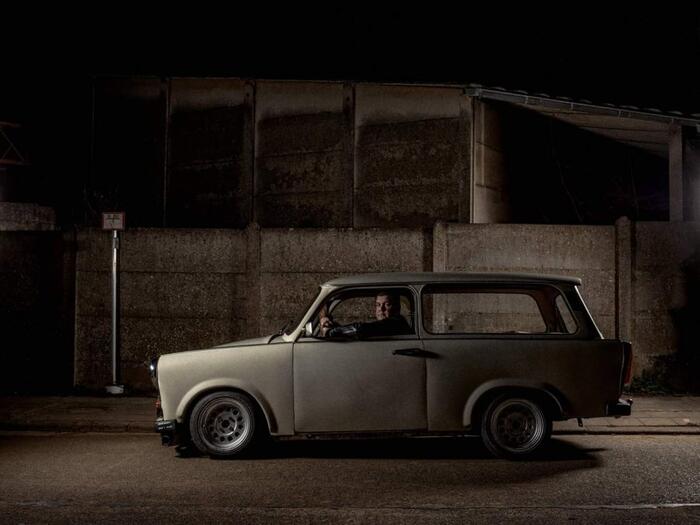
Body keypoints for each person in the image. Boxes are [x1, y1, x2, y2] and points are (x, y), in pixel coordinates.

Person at [319, 291, 412, 338]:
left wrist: (330, 332)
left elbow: (360, 329)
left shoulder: (396, 322)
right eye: (378, 305)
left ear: (397, 308)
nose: (381, 309)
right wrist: (336, 327)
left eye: (387, 304)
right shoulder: (390, 324)